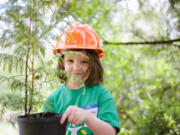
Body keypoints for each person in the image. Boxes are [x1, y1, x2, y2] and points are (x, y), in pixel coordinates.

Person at [43, 22, 120, 135]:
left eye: (84, 61)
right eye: (70, 61)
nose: (76, 68)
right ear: (62, 63)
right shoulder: (53, 100)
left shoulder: (101, 95)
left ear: (94, 64)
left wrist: (88, 117)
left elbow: (110, 133)